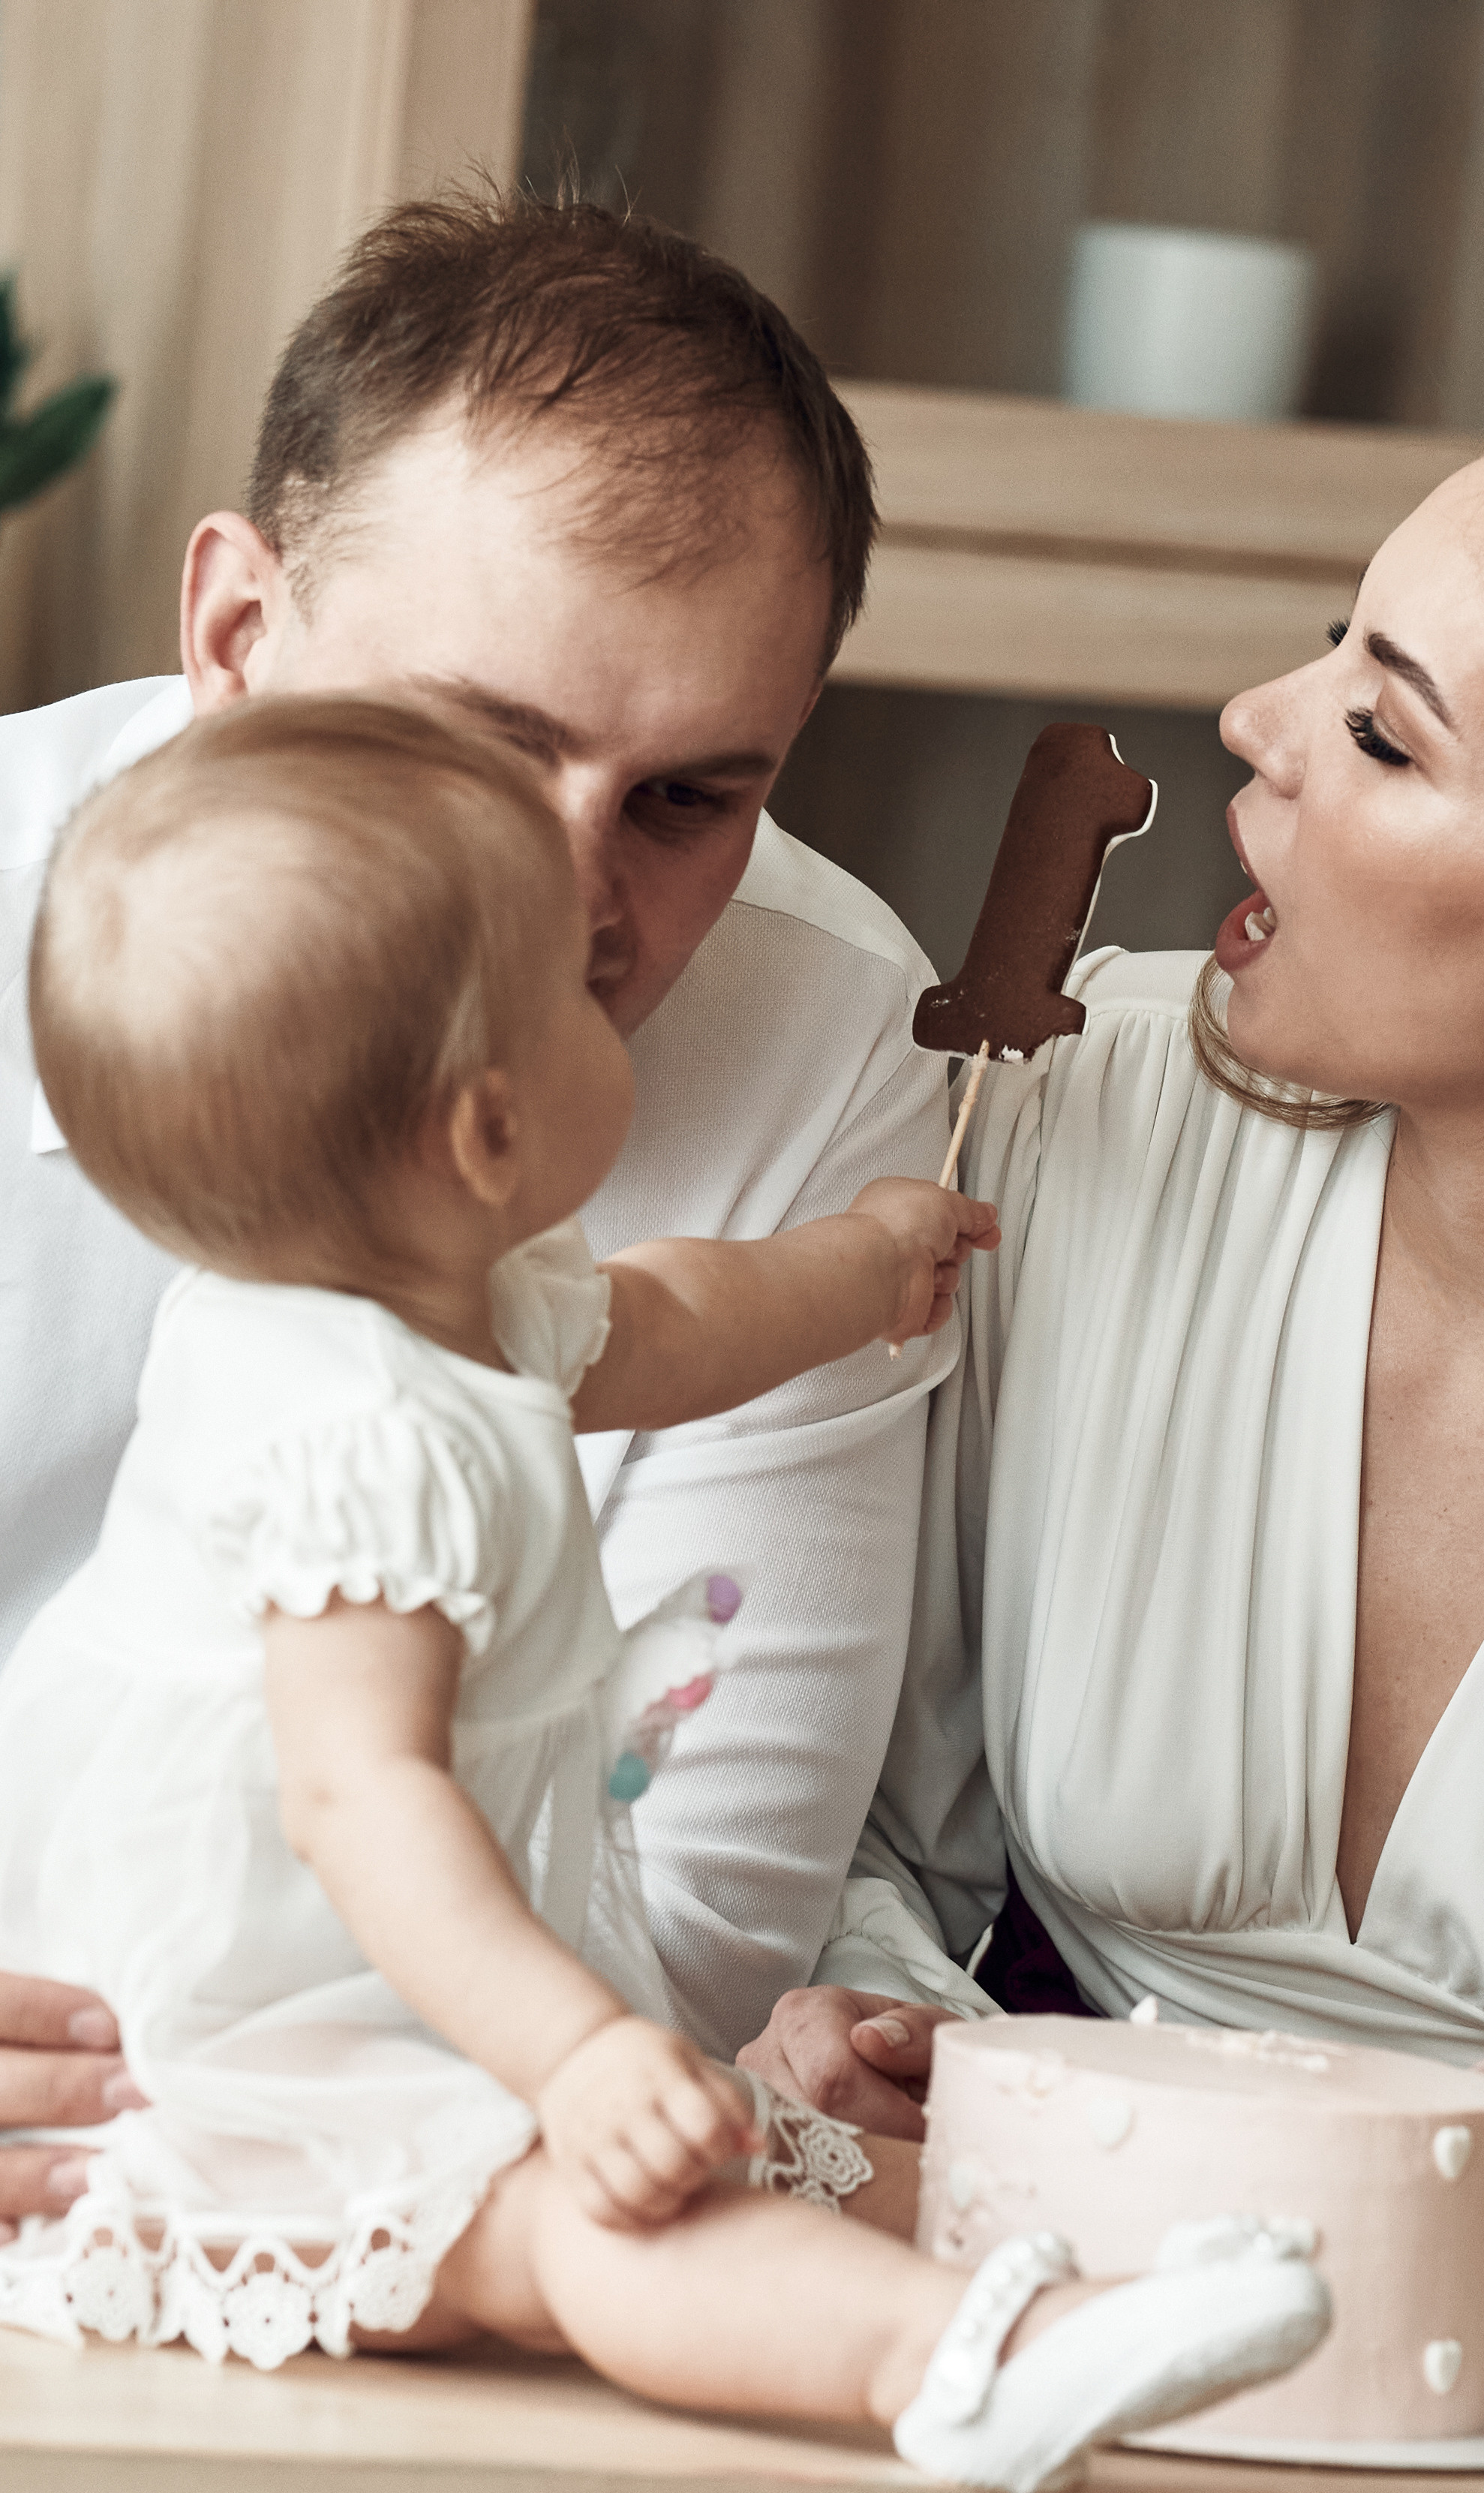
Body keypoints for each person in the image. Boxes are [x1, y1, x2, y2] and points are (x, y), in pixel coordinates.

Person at [0, 692, 1328, 2493]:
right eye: (573, 991)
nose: (622, 983)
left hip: (390, 1976)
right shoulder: (351, 1430)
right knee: (592, 2219)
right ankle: (968, 2369)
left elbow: (677, 1315)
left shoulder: (460, 1298)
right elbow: (361, 1798)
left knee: (750, 2163)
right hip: (262, 2046)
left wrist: (862, 1260)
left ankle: (1092, 2290)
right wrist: (576, 2051)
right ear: (488, 1131)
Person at [749, 401, 1484, 2343]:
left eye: (1381, 732)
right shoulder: (1069, 1128)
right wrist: (890, 2030)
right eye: (1327, 651)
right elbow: (870, 1830)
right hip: (1064, 2303)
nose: (1250, 723)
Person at [0, 188, 954, 2238]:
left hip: (418, 2166)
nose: (578, 906)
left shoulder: (823, 1031)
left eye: (688, 797)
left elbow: (690, 1904)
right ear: (237, 635)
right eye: (474, 745)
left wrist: (211, 2131)